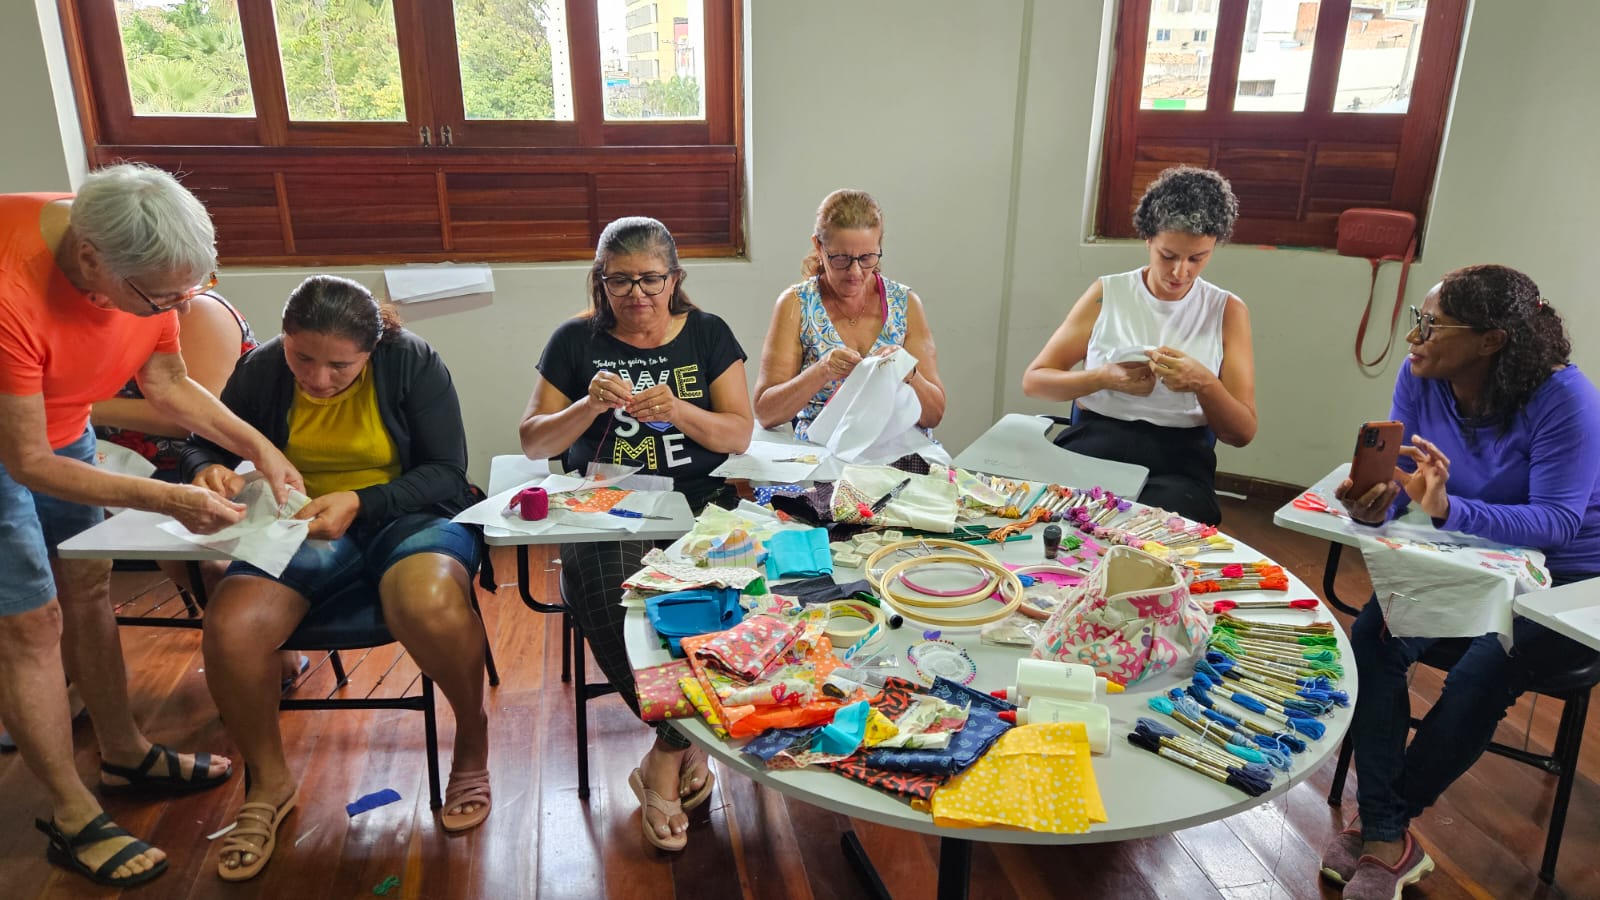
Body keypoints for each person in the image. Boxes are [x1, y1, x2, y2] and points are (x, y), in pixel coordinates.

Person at [0, 163, 300, 889]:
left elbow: (167, 382)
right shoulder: (11, 288)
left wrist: (258, 445)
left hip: (59, 422)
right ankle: (69, 813)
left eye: (185, 291)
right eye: (164, 297)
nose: (177, 305)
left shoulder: (144, 250)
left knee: (88, 580)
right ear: (90, 260)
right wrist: (165, 499)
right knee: (30, 622)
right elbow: (27, 460)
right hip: (18, 442)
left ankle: (124, 750)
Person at [183, 275, 493, 881]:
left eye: (340, 366)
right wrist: (207, 471)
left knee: (427, 601)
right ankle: (268, 785)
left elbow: (447, 473)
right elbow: (200, 444)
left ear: (371, 352)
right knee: (232, 621)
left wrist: (362, 500)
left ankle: (474, 743)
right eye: (303, 357)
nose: (318, 379)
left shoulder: (411, 362)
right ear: (284, 338)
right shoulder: (264, 367)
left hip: (407, 514)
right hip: (304, 524)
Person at [1320, 265, 1600, 899]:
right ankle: (1390, 837)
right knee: (1374, 635)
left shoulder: (1566, 400)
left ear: (1490, 340)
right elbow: (1408, 486)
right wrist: (1378, 501)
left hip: (1571, 583)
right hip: (1467, 557)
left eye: (1431, 325)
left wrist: (1445, 509)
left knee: (1483, 670)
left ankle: (1385, 830)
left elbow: (1556, 523)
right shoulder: (1422, 377)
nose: (1413, 336)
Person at [518, 216, 753, 852]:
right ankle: (684, 745)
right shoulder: (575, 341)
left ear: (675, 280)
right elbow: (533, 439)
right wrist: (588, 405)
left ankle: (665, 758)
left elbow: (738, 435)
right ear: (599, 282)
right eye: (619, 281)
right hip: (601, 508)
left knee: (740, 611)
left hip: (699, 505)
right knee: (610, 600)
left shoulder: (707, 334)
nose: (637, 294)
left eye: (651, 279)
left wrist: (677, 408)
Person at [93, 293, 307, 687]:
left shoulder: (200, 312)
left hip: (210, 465)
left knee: (208, 564)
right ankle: (84, 678)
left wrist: (78, 406)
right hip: (116, 466)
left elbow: (190, 423)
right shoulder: (94, 316)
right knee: (69, 561)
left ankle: (258, 645)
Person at [1021, 166, 1256, 524]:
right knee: (1051, 517)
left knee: (1148, 529)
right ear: (1148, 239)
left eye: (1197, 258)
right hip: (1096, 443)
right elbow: (1035, 380)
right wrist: (1104, 377)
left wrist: (1203, 383)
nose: (1181, 272)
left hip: (1178, 462)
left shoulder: (1227, 311)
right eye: (1168, 255)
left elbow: (1242, 432)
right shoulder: (1108, 293)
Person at [752, 189, 946, 437]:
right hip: (824, 455)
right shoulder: (797, 304)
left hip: (898, 453)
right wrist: (822, 371)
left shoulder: (905, 304)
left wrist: (909, 373)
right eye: (841, 258)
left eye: (867, 257)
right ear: (818, 247)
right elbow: (766, 413)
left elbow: (934, 415)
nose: (855, 272)